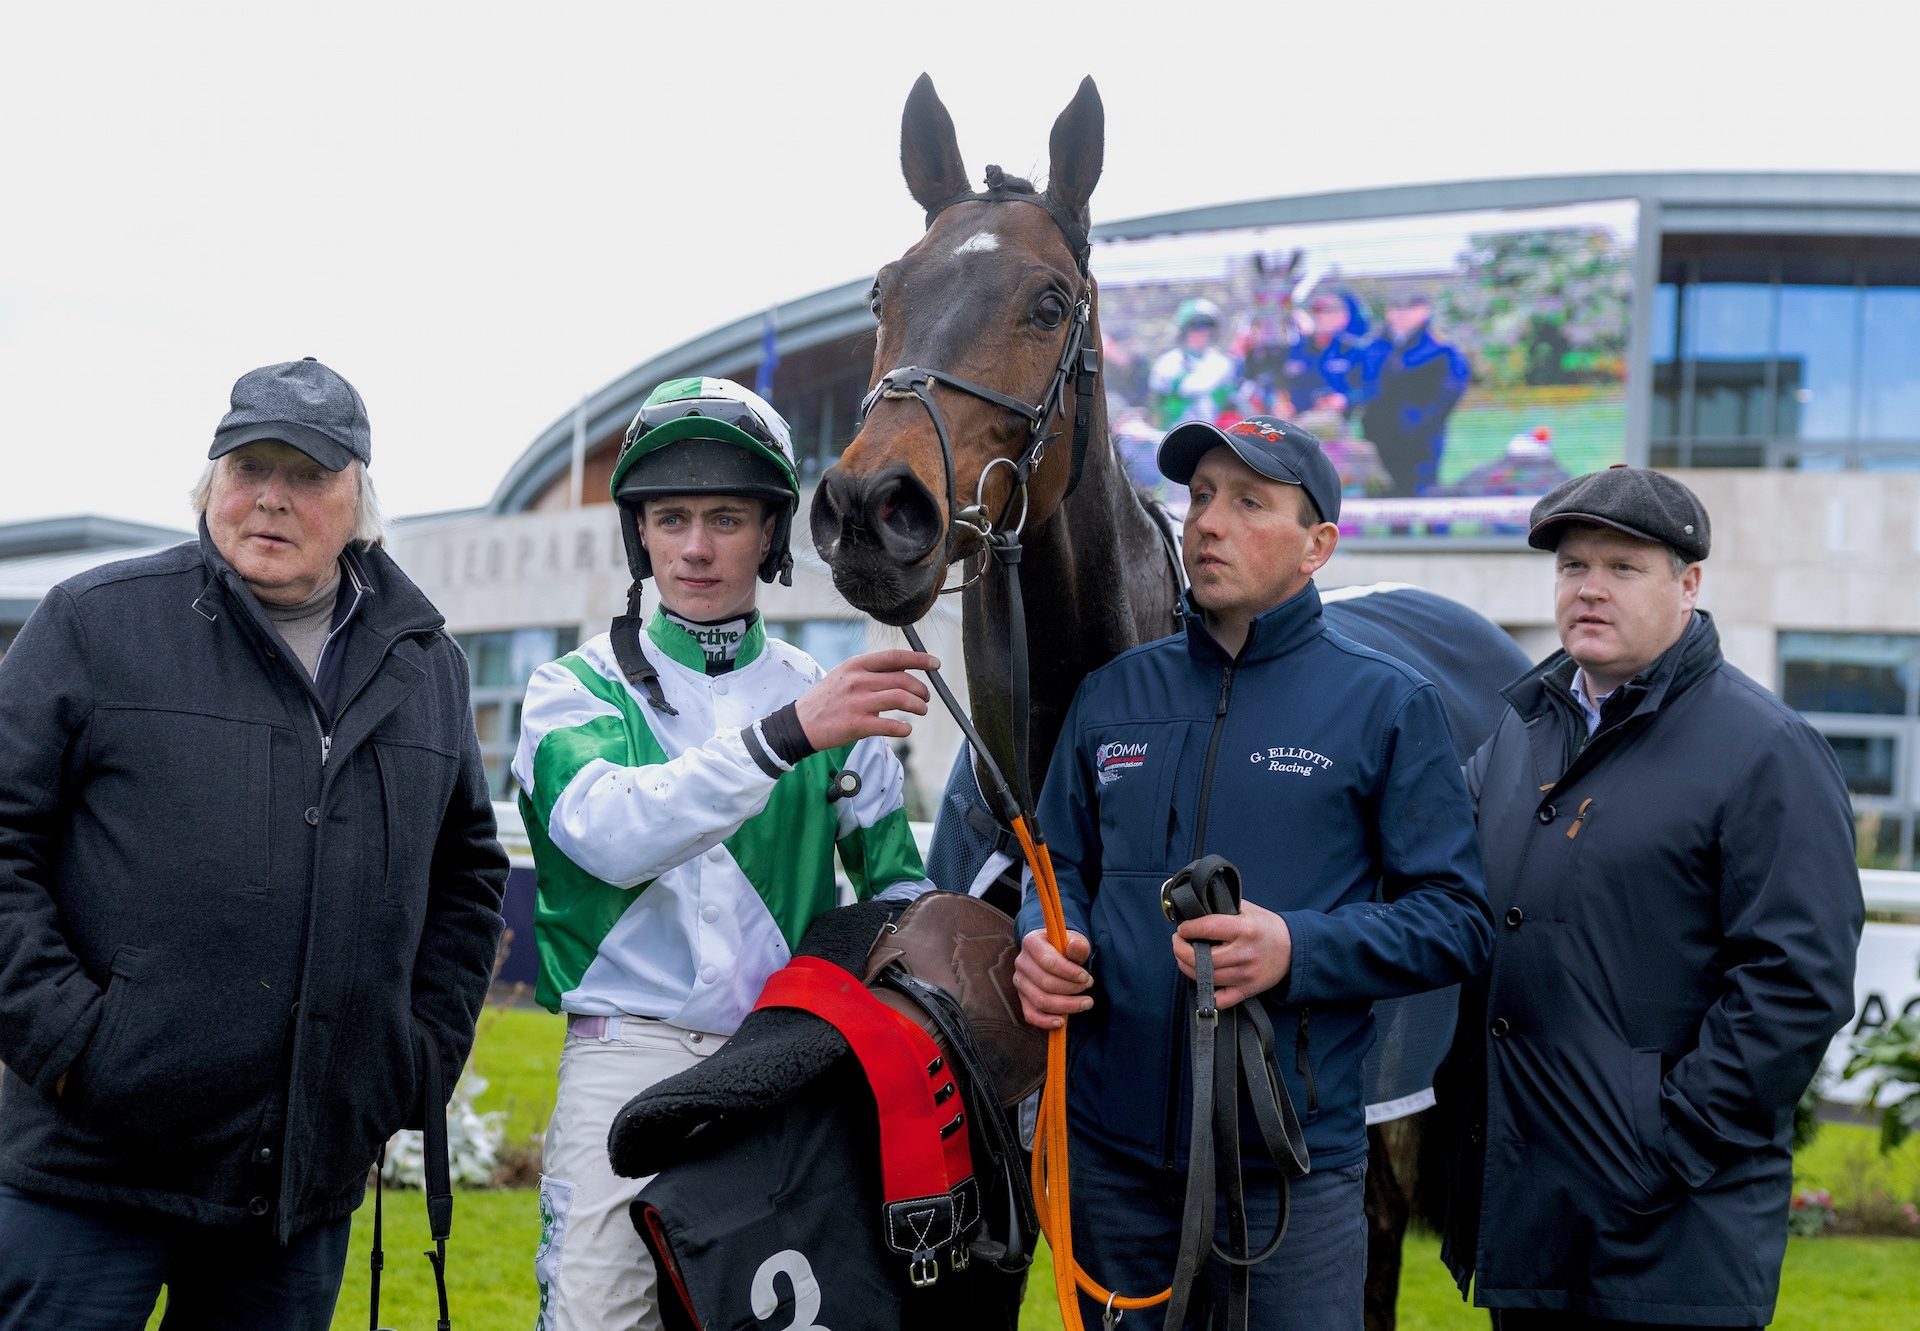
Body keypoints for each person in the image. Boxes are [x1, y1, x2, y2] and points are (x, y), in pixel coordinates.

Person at [0, 357, 509, 1328]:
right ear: (211, 482)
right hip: (90, 1171)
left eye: (306, 472)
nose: (271, 497)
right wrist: (71, 1042)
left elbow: (469, 873)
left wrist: (416, 1055)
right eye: (248, 467)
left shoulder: (425, 661)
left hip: (293, 1194)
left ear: (357, 494)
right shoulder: (94, 623)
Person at [1012, 414, 1493, 1330]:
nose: (1206, 522)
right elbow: (1061, 861)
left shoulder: (1389, 705)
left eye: (1246, 501)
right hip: (1110, 1171)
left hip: (1293, 1181)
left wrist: (1295, 947)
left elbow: (1457, 917)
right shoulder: (1113, 695)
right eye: (1197, 497)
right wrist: (1046, 932)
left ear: (1318, 546)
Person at [515, 376, 938, 1331]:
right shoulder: (568, 689)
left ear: (771, 532)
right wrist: (786, 735)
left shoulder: (829, 698)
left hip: (778, 1064)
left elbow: (900, 896)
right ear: (641, 534)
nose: (697, 547)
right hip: (626, 1057)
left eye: (726, 518)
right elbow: (613, 834)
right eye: (670, 519)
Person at [1437, 466, 1863, 1328]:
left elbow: (1796, 982)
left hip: (1674, 1236)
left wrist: (1663, 1143)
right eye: (1571, 567)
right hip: (1534, 1227)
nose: (1589, 588)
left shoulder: (1765, 748)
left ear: (1688, 583)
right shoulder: (1519, 737)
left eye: (1623, 567)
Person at [1359, 291, 1472, 497]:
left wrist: (1423, 419)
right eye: (1395, 309)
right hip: (1381, 434)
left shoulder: (1439, 347)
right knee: (1390, 493)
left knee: (1426, 491)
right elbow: (1365, 385)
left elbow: (1451, 388)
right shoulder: (1376, 346)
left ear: (1423, 311)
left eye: (1408, 309)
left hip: (1422, 436)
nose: (1400, 315)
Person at [1148, 298, 1240, 428]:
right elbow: (1157, 407)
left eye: (1205, 329)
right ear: (1184, 331)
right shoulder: (1167, 364)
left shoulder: (1222, 363)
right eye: (1195, 328)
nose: (1201, 334)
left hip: (1216, 435)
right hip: (1175, 434)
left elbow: (1230, 404)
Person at [1281, 288, 1370, 418]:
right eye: (1316, 310)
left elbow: (1370, 388)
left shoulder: (1355, 350)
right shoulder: (1296, 350)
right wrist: (1283, 402)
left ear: (1343, 317)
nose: (1321, 316)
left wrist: (1345, 399)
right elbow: (1283, 383)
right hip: (1300, 422)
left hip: (1342, 423)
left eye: (1328, 310)